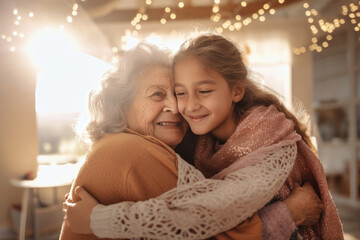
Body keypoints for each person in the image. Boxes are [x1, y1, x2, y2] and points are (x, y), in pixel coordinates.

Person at [62, 39, 325, 240]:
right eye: (157, 95)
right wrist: (290, 213)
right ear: (120, 105)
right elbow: (214, 232)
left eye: (175, 94)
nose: (177, 108)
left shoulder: (253, 137)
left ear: (236, 91)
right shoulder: (134, 151)